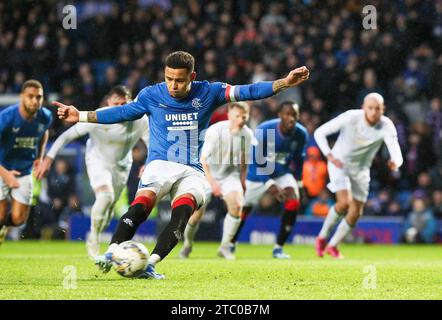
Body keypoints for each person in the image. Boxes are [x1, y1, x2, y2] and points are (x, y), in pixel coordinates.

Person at [54, 51, 309, 279]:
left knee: (182, 214)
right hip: (160, 163)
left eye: (179, 80)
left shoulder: (210, 92)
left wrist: (284, 83)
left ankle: (150, 264)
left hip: (192, 170)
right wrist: (82, 115)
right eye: (169, 79)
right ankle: (111, 252)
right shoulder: (151, 94)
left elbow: (249, 91)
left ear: (192, 76)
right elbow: (122, 113)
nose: (173, 85)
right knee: (142, 205)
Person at [35, 86, 149, 258]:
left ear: (130, 102)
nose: (119, 108)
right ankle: (94, 238)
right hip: (98, 160)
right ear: (108, 102)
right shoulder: (99, 116)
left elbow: (151, 143)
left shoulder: (140, 120)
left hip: (122, 165)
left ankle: (99, 229)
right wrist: (49, 157)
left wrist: (148, 163)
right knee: (105, 197)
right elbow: (67, 136)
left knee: (110, 209)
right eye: (115, 103)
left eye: (123, 104)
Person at [314, 93, 403, 259]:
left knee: (355, 213)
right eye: (370, 108)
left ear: (383, 109)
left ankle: (333, 246)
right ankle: (322, 238)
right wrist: (329, 155)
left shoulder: (386, 125)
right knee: (344, 203)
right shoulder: (350, 117)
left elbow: (395, 150)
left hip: (361, 170)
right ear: (363, 108)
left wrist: (396, 162)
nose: (374, 112)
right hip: (339, 163)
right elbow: (319, 132)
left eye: (378, 109)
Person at [230, 102, 308, 259]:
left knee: (293, 200)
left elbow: (299, 159)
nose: (291, 118)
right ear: (279, 115)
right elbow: (256, 160)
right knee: (244, 208)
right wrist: (269, 184)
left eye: (294, 115)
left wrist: (298, 182)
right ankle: (230, 242)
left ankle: (278, 248)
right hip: (257, 174)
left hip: (281, 173)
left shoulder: (301, 134)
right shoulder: (264, 130)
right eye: (287, 114)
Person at [179, 102, 254, 260]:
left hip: (229, 174)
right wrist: (212, 183)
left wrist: (243, 179)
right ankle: (187, 244)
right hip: (206, 174)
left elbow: (244, 158)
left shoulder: (247, 134)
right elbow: (203, 159)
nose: (240, 120)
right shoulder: (215, 131)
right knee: (196, 215)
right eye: (237, 116)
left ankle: (225, 247)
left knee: (237, 205)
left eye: (243, 117)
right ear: (229, 115)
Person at [0, 80, 53, 245]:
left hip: (24, 171)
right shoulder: (6, 118)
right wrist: (5, 174)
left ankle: (3, 228)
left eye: (39, 97)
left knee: (18, 219)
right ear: (21, 96)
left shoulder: (45, 116)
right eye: (31, 96)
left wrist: (40, 156)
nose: (35, 101)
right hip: (2, 168)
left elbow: (44, 132)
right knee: (0, 215)